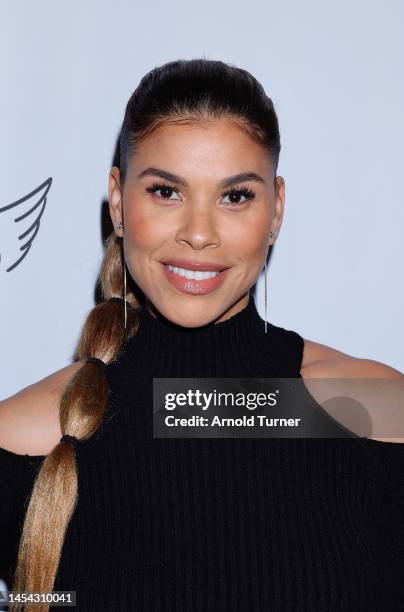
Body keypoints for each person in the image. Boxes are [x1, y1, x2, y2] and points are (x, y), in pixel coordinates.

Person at [0, 58, 403, 612]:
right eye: (166, 192)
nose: (198, 234)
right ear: (118, 202)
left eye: (234, 196)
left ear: (276, 209)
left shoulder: (376, 409)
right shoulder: (24, 435)